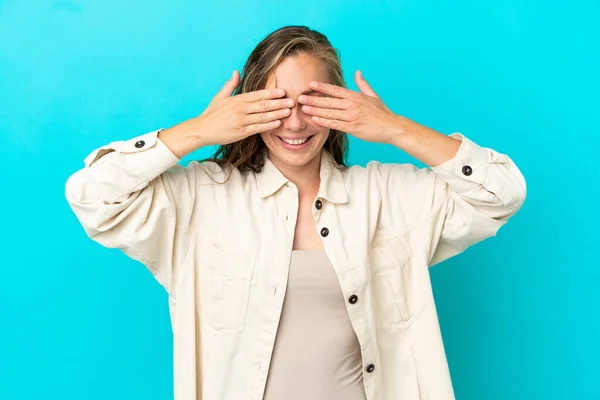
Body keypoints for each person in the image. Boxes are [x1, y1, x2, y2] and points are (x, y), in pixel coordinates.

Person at [65, 25, 526, 400]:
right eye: (275, 103)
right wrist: (199, 131)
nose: (295, 122)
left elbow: (503, 192)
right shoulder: (202, 199)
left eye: (311, 101)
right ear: (249, 105)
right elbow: (91, 196)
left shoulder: (385, 195)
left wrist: (395, 128)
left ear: (340, 104)